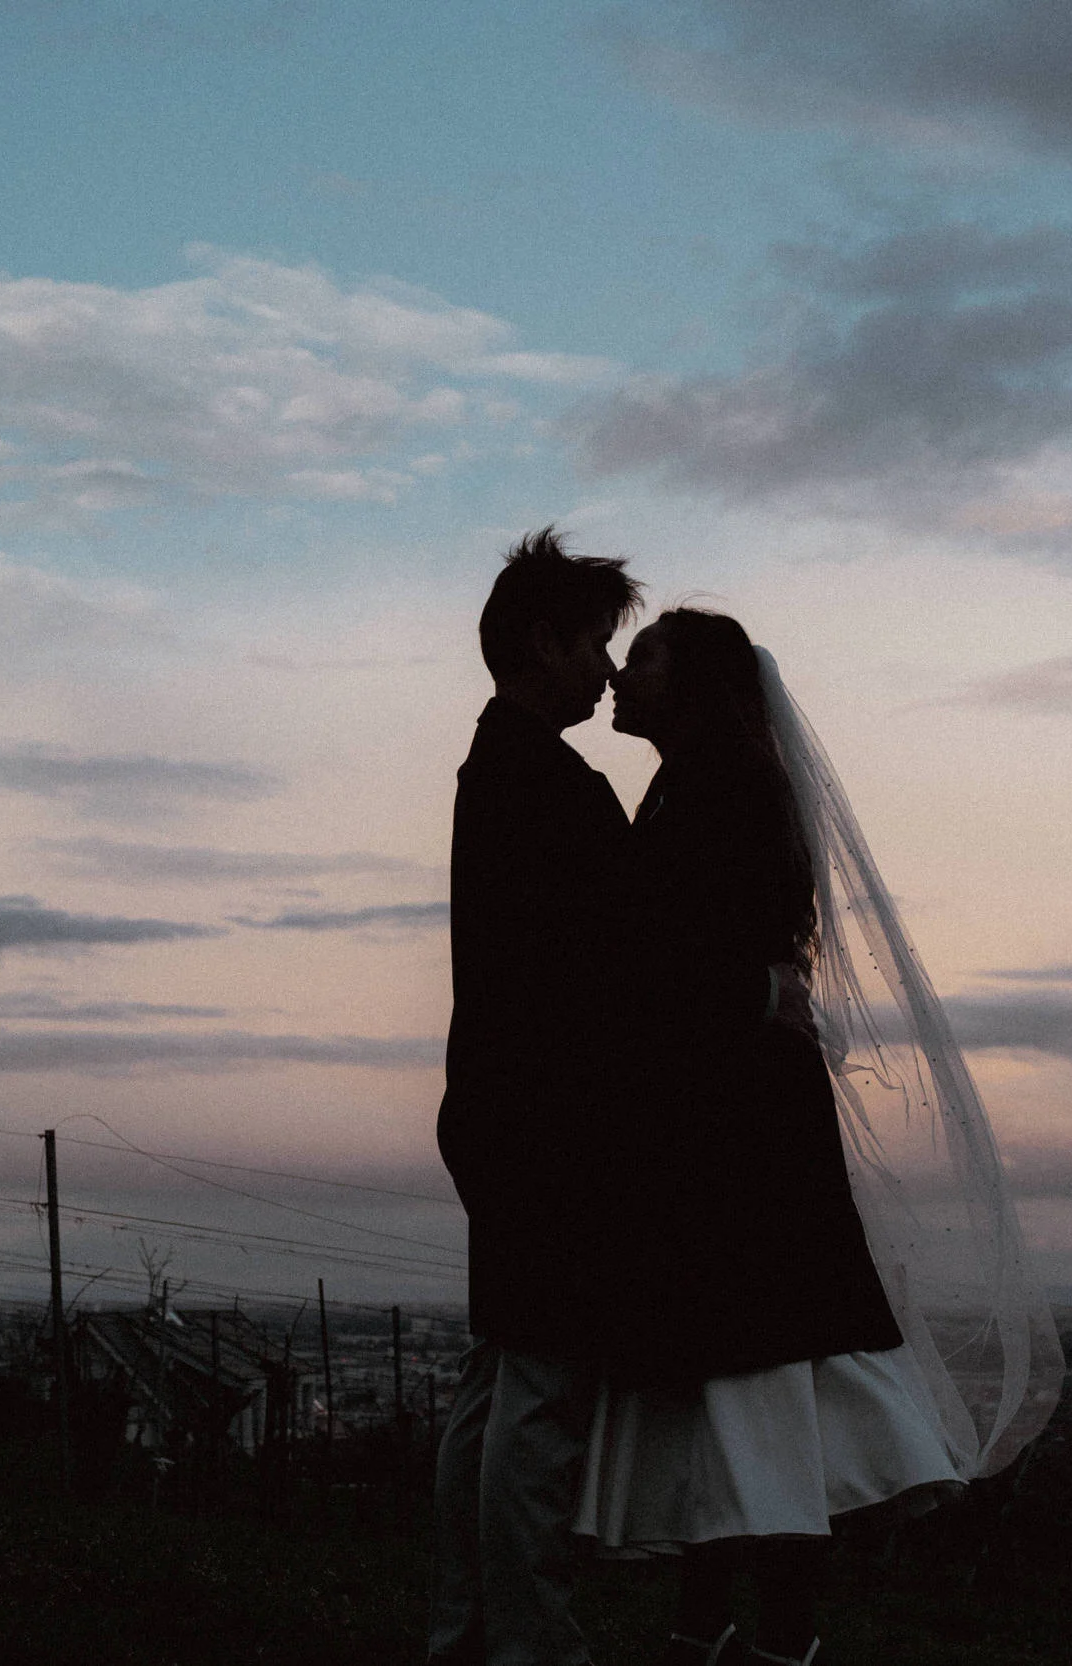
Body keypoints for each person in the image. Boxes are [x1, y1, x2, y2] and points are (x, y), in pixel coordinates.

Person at [583, 608, 975, 1666]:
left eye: (646, 655)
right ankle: (711, 1622)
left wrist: (736, 991)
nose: (622, 671)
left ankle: (771, 1633)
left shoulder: (726, 789)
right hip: (720, 1114)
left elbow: (678, 951)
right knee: (731, 1377)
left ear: (698, 681)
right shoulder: (687, 783)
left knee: (761, 1377)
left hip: (741, 1130)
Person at [429, 528, 644, 1666]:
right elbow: (613, 962)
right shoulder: (544, 783)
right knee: (540, 1394)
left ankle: (469, 1629)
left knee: (501, 1376)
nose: (607, 672)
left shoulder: (497, 768)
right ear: (543, 640)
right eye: (596, 645)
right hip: (550, 1124)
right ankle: (530, 1644)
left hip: (503, 1114)